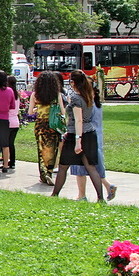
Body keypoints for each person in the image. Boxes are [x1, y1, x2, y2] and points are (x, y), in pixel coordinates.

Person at [51, 70, 106, 201]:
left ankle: (54, 195)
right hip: (89, 133)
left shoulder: (76, 98)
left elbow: (78, 120)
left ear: (73, 82)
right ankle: (100, 198)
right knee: (91, 167)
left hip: (77, 134)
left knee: (63, 166)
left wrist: (77, 141)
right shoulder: (88, 95)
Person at [72, 79, 117, 201]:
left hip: (85, 136)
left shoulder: (83, 102)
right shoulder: (96, 101)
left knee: (80, 167)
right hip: (96, 136)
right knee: (94, 166)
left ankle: (82, 195)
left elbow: (79, 121)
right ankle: (107, 186)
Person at [27, 71, 65, 185]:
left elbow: (30, 112)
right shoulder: (57, 95)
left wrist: (38, 109)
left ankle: (43, 174)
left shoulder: (35, 95)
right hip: (53, 125)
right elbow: (62, 112)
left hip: (40, 125)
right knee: (53, 149)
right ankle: (49, 171)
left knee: (41, 149)